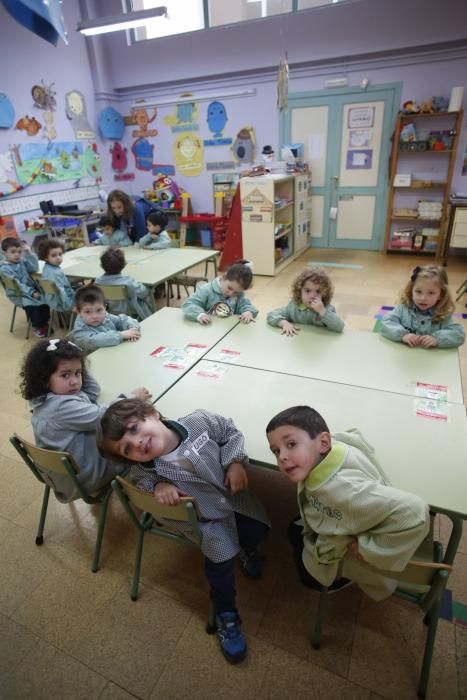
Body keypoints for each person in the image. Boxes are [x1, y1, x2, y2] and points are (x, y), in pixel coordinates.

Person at [96, 398, 270, 663]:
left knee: (257, 529)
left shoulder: (198, 421)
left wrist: (235, 462)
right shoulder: (145, 471)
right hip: (208, 522)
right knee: (220, 566)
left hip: (234, 497)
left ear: (152, 413)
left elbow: (229, 431)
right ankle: (226, 615)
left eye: (134, 429)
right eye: (127, 449)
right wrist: (156, 488)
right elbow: (136, 483)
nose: (137, 443)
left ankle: (246, 550)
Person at [266, 405, 429, 601]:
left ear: (324, 442)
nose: (282, 457)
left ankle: (338, 580)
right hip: (345, 520)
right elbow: (355, 435)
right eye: (276, 451)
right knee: (294, 530)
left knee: (302, 559)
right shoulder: (338, 444)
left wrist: (369, 549)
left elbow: (415, 511)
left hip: (347, 558)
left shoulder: (342, 490)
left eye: (291, 444)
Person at [19, 338, 151, 503]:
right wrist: (131, 397)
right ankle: (147, 495)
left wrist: (77, 368)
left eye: (78, 373)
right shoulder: (59, 407)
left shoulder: (45, 397)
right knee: (138, 446)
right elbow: (104, 416)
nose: (74, 381)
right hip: (86, 475)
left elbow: (93, 390)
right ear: (44, 378)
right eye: (65, 375)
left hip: (65, 475)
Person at [380, 265, 465, 348]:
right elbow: (385, 323)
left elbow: (459, 334)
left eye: (431, 293)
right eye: (418, 291)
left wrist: (437, 339)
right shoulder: (403, 308)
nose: (423, 298)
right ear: (411, 290)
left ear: (441, 295)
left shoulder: (443, 315)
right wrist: (403, 335)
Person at [267, 267, 344, 335]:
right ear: (299, 291)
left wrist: (322, 312)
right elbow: (271, 315)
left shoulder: (326, 309)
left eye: (318, 291)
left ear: (324, 293)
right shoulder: (293, 307)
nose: (313, 296)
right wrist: (283, 323)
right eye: (307, 291)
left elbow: (339, 327)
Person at [0, 236, 50, 337]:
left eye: (19, 252)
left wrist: (29, 253)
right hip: (17, 293)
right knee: (33, 305)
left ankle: (44, 323)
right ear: (4, 253)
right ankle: (37, 326)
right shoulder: (4, 269)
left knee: (46, 299)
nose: (17, 255)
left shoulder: (21, 261)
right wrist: (31, 292)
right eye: (13, 252)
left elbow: (34, 268)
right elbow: (17, 285)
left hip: (29, 290)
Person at [181, 260, 258, 325]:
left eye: (236, 293)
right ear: (224, 277)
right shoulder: (206, 290)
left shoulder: (239, 294)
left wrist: (248, 312)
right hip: (207, 329)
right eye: (229, 288)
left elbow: (246, 305)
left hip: (228, 330)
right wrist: (200, 315)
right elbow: (188, 304)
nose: (231, 293)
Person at [71, 284, 141, 352]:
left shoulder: (105, 316)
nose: (95, 316)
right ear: (79, 312)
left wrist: (133, 329)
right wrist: (121, 335)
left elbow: (122, 320)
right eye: (87, 312)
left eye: (99, 310)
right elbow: (95, 340)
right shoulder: (80, 331)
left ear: (105, 307)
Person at [95, 248, 153, 319]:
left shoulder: (98, 282)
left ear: (101, 266)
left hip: (111, 311)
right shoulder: (128, 282)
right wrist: (147, 287)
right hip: (131, 312)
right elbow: (143, 293)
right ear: (124, 265)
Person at [37, 239, 75, 314]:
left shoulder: (49, 267)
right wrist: (69, 307)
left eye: (60, 254)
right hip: (62, 303)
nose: (58, 258)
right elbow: (61, 291)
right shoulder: (53, 273)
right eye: (54, 255)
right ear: (45, 258)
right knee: (90, 295)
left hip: (53, 301)